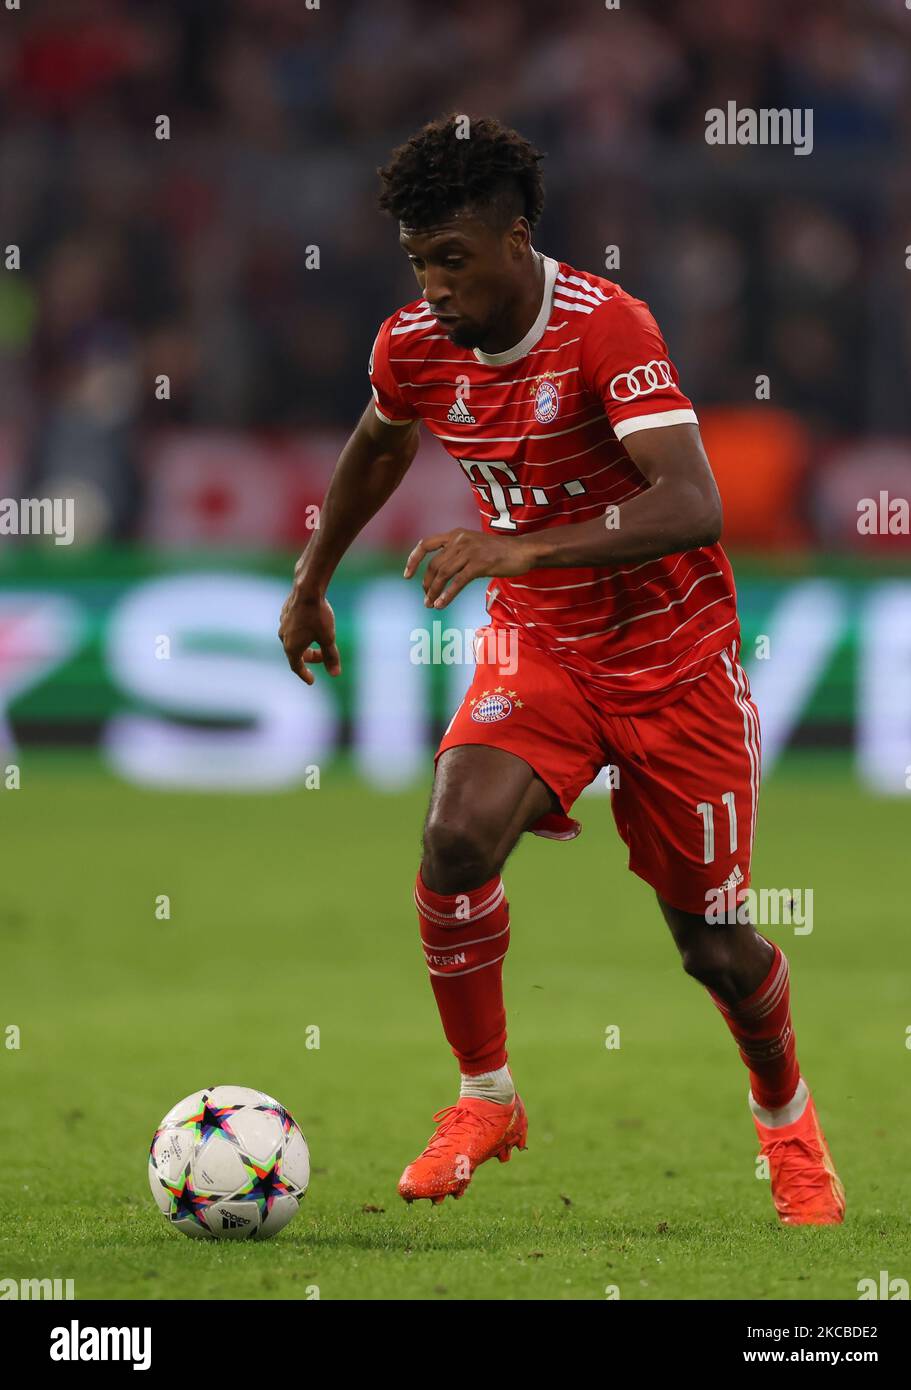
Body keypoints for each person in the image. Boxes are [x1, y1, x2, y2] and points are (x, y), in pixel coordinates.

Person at [278, 115, 844, 1225]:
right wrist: (309, 581)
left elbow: (693, 504)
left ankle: (787, 1125)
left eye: (452, 259)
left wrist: (519, 544)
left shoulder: (605, 326)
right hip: (541, 642)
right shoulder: (414, 344)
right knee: (453, 837)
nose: (433, 286)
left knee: (714, 948)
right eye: (417, 262)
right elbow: (382, 442)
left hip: (675, 661)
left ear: (516, 238)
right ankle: (484, 1096)